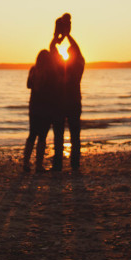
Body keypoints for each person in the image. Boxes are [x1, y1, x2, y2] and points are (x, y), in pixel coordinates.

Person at [50, 13, 85, 172]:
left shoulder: (62, 65)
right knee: (74, 135)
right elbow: (54, 50)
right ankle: (74, 164)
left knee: (60, 136)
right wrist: (64, 35)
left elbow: (52, 49)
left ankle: (59, 165)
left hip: (61, 103)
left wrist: (58, 37)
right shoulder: (77, 64)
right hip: (72, 103)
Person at [23, 49, 58, 172]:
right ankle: (38, 165)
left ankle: (26, 164)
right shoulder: (51, 73)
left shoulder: (33, 70)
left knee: (32, 135)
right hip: (46, 108)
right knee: (42, 137)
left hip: (34, 107)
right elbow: (54, 89)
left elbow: (28, 85)